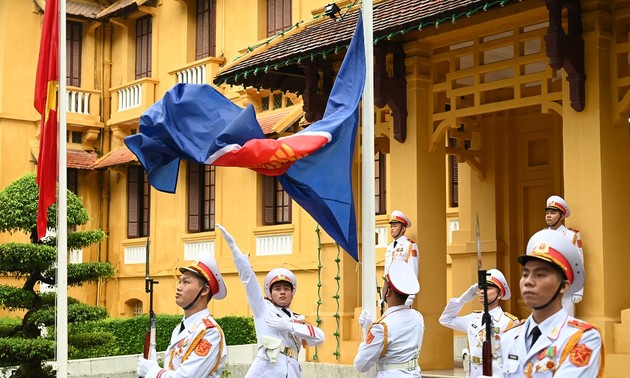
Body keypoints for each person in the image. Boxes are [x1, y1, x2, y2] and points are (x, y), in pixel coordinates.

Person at [490, 229, 603, 377]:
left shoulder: (582, 338)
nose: (528, 281)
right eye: (525, 274)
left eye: (540, 274)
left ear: (564, 286)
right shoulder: (508, 337)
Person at [217, 224, 324, 377]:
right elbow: (249, 280)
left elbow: (320, 337)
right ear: (270, 293)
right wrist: (234, 249)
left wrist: (289, 326)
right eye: (277, 289)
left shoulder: (297, 320)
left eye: (286, 289)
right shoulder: (263, 309)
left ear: (292, 294)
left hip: (292, 372)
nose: (282, 292)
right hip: (267, 371)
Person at [137, 251, 228, 378]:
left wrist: (153, 372)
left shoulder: (209, 332)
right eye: (180, 282)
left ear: (205, 290)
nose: (179, 287)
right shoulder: (179, 329)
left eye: (186, 282)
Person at [439, 269, 518, 378]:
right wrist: (461, 300)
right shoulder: (473, 318)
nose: (481, 291)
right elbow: (445, 319)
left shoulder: (509, 322)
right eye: (481, 288)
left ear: (499, 295)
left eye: (487, 288)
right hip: (472, 374)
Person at [354, 260, 425, 376]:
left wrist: (368, 331)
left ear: (388, 292)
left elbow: (361, 364)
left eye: (384, 285)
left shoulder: (381, 327)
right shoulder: (417, 317)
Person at [544, 195, 584, 316]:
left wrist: (578, 291)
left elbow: (579, 263)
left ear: (561, 216)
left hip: (565, 286)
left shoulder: (571, 236)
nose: (549, 215)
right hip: (546, 286)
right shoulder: (542, 235)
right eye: (547, 213)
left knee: (566, 324)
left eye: (553, 213)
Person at [384, 210, 419, 308]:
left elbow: (413, 272)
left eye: (395, 226)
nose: (392, 229)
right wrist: (383, 296)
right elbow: (386, 273)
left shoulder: (410, 245)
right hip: (390, 294)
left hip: (403, 293)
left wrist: (410, 297)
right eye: (391, 226)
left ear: (403, 229)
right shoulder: (390, 247)